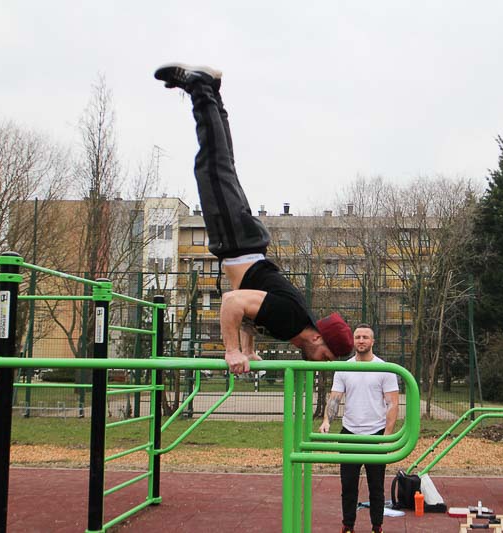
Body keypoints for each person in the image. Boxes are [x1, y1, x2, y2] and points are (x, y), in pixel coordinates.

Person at [154, 63, 353, 373]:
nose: (321, 363)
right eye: (325, 356)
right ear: (317, 337)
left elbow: (250, 312)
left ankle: (212, 92)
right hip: (237, 241)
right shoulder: (291, 318)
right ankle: (199, 88)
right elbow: (232, 302)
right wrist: (232, 351)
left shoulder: (290, 327)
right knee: (211, 165)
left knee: (223, 165)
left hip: (243, 242)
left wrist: (248, 349)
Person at [319, 324, 400, 533]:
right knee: (348, 486)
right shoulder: (344, 368)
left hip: (375, 434)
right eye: (357, 337)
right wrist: (327, 421)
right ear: (353, 341)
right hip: (349, 433)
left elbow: (392, 404)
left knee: (376, 487)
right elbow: (335, 398)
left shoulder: (384, 368)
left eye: (365, 337)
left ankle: (377, 527)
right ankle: (348, 526)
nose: (361, 340)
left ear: (373, 341)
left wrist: (386, 436)